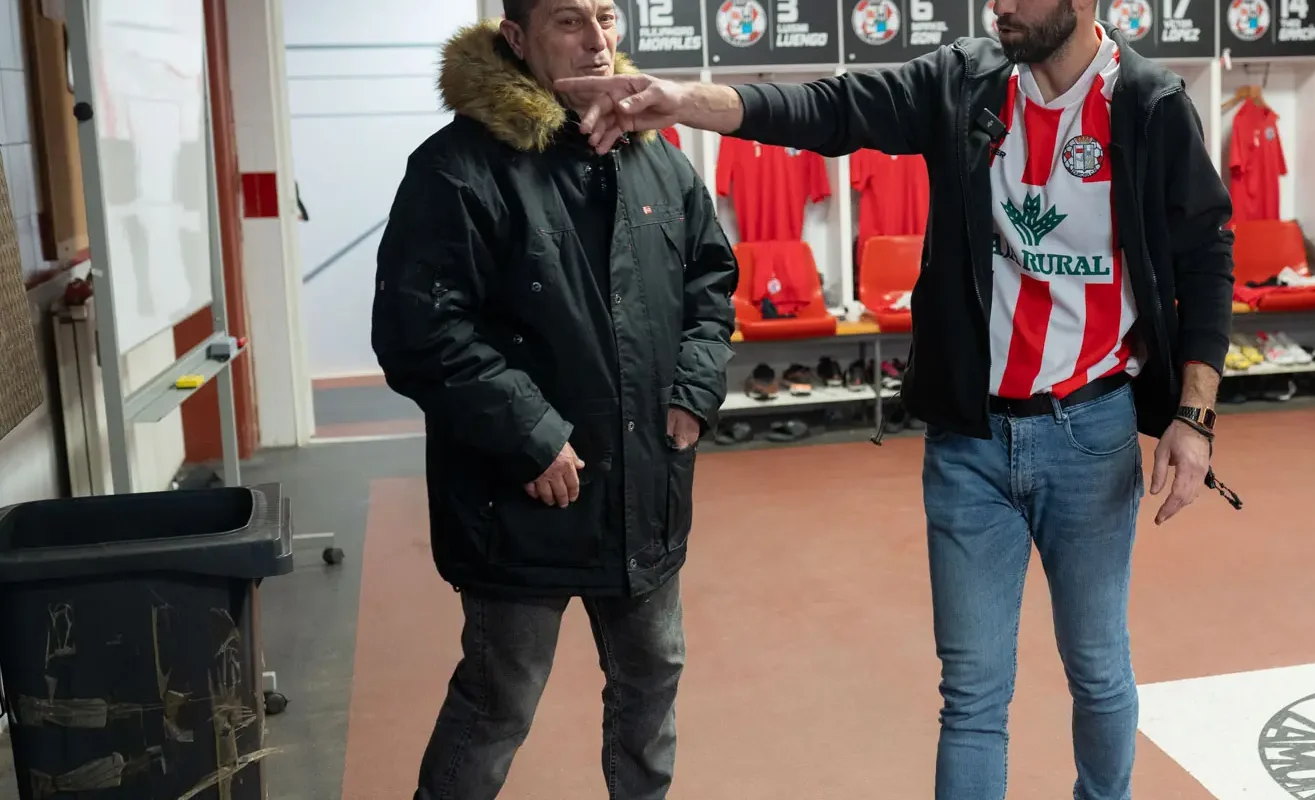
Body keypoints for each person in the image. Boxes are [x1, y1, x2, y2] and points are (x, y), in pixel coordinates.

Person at [555, 0, 1237, 794]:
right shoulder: (966, 82)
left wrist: (1193, 417)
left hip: (1089, 431)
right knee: (973, 695)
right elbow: (826, 108)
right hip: (967, 443)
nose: (997, 7)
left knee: (1096, 669)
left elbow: (1205, 259)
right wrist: (680, 101)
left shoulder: (1149, 104)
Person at [369, 1, 737, 798]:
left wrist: (694, 388)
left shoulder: (659, 160)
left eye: (606, 16)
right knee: (498, 702)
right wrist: (529, 434)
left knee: (650, 687)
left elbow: (710, 281)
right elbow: (417, 328)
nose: (598, 41)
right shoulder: (457, 168)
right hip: (522, 495)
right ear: (515, 39)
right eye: (570, 20)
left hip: (647, 484)